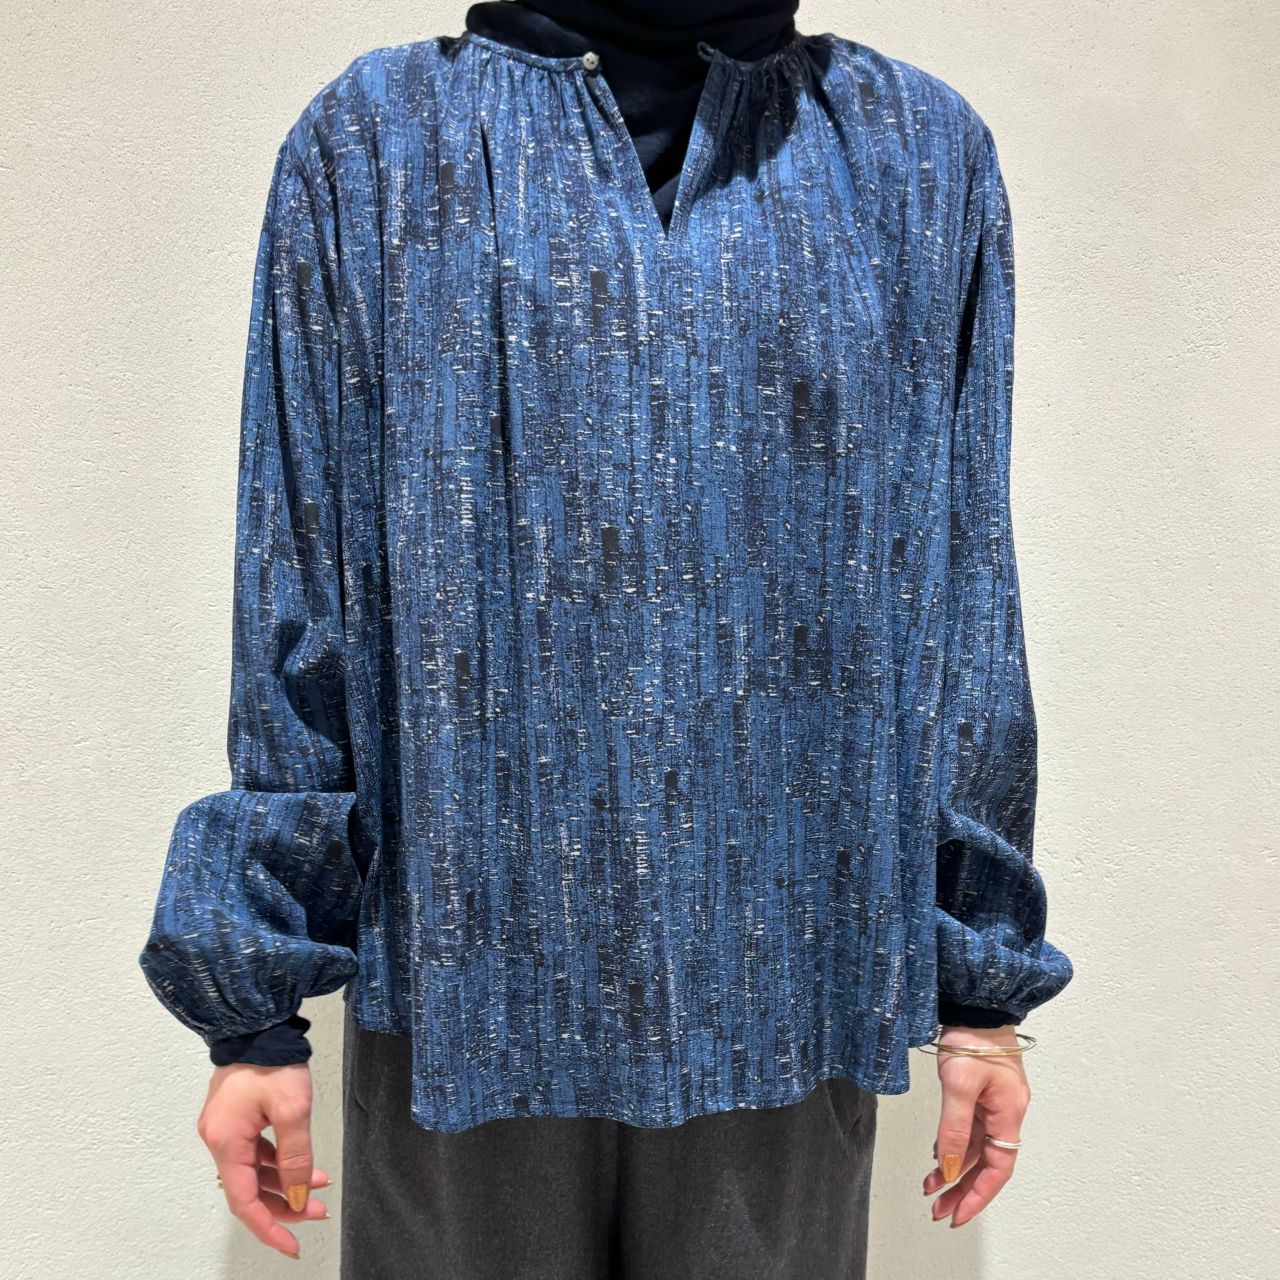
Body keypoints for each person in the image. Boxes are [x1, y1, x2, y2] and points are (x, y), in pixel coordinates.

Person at [138, 2, 1074, 1274]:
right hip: (465, 970)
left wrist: (979, 987)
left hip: (787, 977)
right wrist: (253, 1004)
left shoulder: (911, 149)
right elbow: (300, 568)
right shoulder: (380, 138)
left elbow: (959, 579)